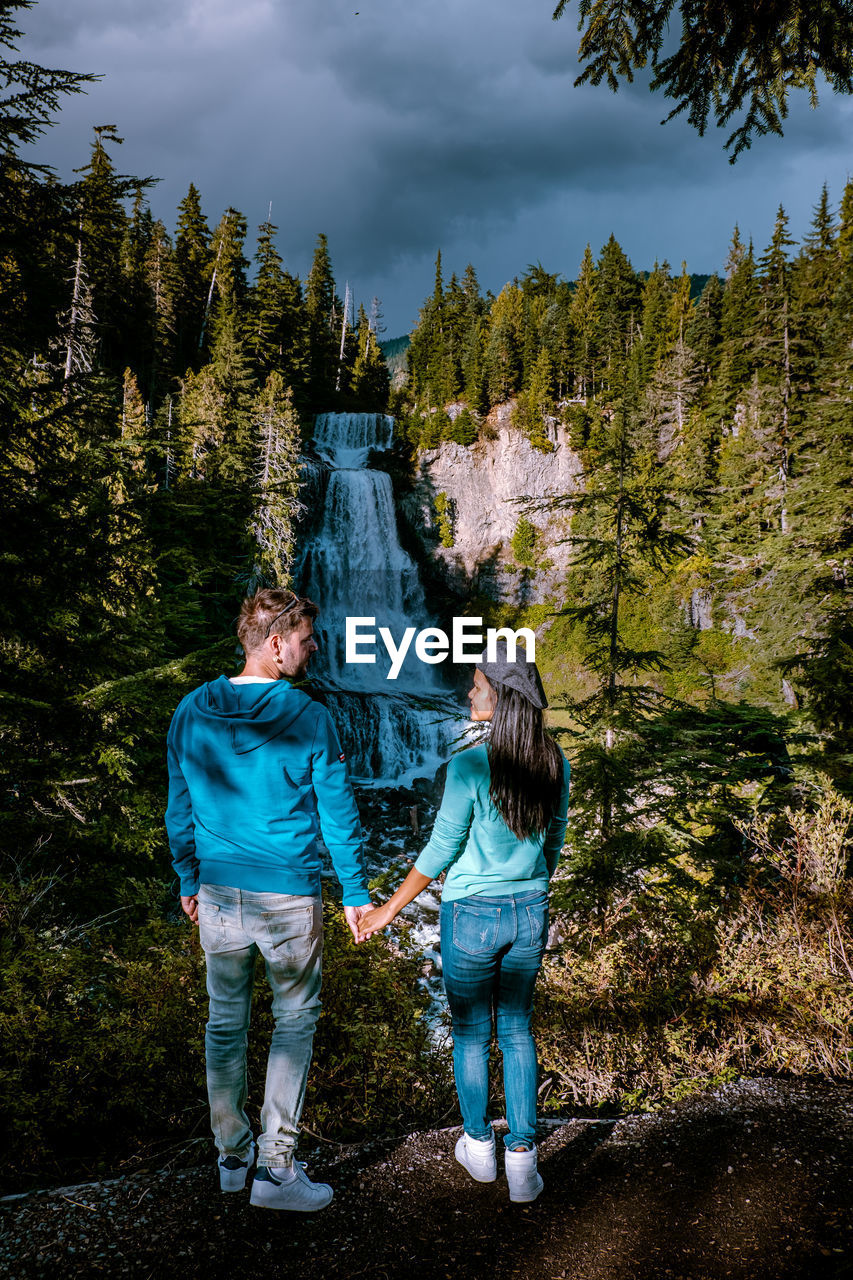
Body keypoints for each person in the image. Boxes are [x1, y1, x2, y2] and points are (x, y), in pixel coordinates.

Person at [165, 588, 372, 1212]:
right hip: (286, 895)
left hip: (220, 894)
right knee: (293, 1022)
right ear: (276, 643)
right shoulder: (309, 717)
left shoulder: (192, 709)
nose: (314, 649)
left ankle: (232, 1155)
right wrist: (356, 891)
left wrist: (186, 877)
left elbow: (179, 807)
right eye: (307, 639)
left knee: (225, 1022)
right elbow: (338, 816)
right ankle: (277, 1169)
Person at [358, 642, 569, 1203]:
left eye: (477, 685)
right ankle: (523, 1159)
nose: (469, 692)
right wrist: (530, 883)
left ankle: (479, 1148)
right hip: (529, 909)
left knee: (473, 1033)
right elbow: (555, 838)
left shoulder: (469, 765)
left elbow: (441, 849)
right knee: (518, 1031)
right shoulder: (554, 761)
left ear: (500, 699)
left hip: (471, 914)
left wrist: (387, 909)